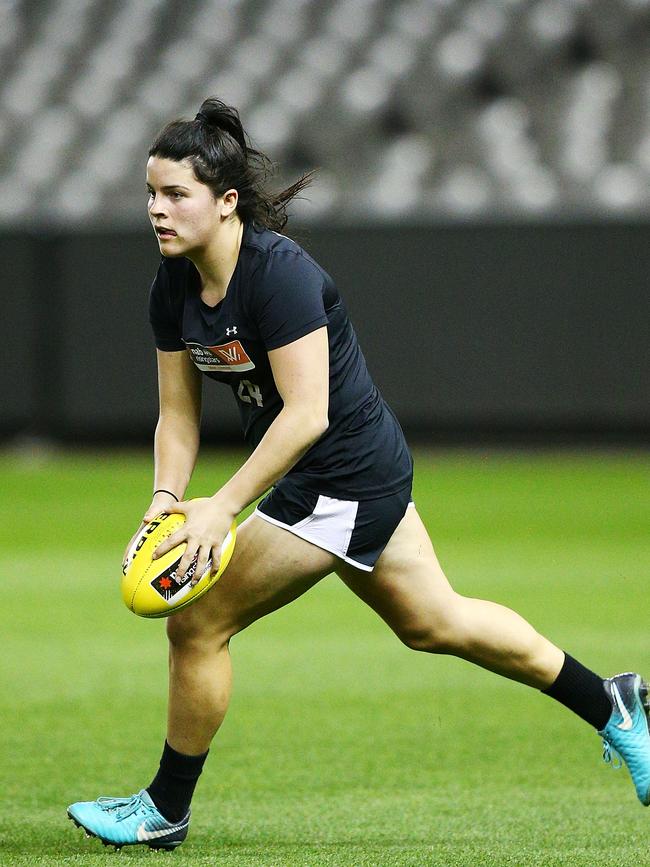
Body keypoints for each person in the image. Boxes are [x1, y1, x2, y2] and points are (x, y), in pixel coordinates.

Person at [67, 98, 650, 851]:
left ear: (227, 201)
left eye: (176, 193)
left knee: (198, 621)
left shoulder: (278, 276)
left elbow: (307, 415)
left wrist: (224, 511)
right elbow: (176, 417)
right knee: (435, 620)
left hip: (343, 477)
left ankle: (165, 809)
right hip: (335, 475)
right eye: (150, 192)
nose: (157, 209)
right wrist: (166, 500)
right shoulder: (172, 285)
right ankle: (612, 701)